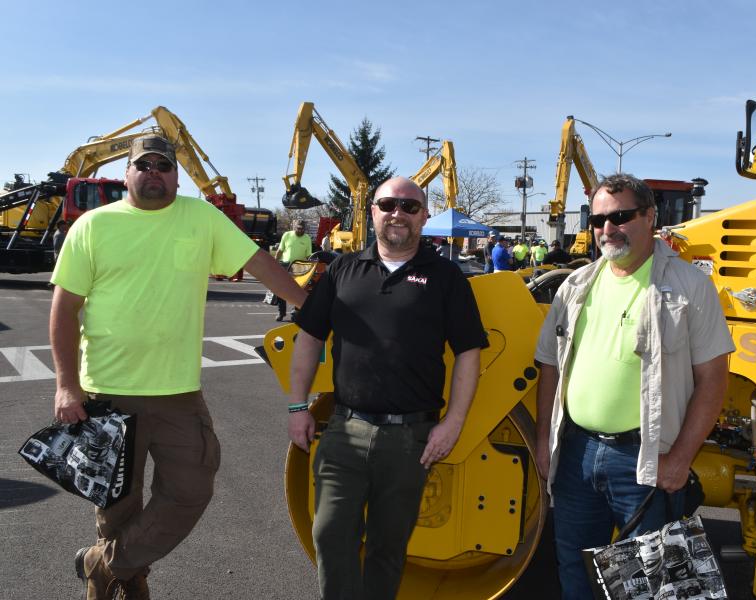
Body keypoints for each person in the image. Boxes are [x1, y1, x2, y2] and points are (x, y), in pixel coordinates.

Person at [50, 134, 308, 600]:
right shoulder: (92, 226)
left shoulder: (201, 217)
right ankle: (126, 582)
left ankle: (102, 564)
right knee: (117, 507)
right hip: (107, 392)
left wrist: (309, 307)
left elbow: (260, 265)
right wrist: (66, 386)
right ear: (126, 173)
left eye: (163, 166)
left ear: (175, 174)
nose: (154, 172)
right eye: (143, 165)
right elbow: (64, 310)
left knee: (191, 490)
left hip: (178, 393)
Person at [533, 173, 734, 599]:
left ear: (649, 217)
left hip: (645, 459)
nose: (607, 228)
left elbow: (714, 379)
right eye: (598, 219)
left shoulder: (689, 286)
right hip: (576, 453)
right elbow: (549, 365)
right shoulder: (576, 285)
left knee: (654, 582)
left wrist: (680, 458)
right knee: (575, 565)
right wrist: (542, 442)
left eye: (620, 216)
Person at [287, 176, 487, 600]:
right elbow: (309, 337)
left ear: (424, 216)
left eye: (410, 207)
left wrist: (453, 422)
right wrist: (296, 406)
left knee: (387, 548)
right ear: (372, 211)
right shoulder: (342, 270)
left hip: (410, 439)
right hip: (344, 432)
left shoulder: (447, 277)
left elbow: (470, 352)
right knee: (330, 535)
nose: (398, 213)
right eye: (388, 205)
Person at [274, 219, 313, 321]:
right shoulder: (287, 235)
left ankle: (295, 313)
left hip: (300, 267)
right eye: (298, 228)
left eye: (303, 229)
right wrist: (274, 262)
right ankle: (281, 312)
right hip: (285, 265)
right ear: (294, 227)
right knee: (281, 290)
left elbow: (309, 255)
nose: (300, 230)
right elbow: (280, 250)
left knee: (298, 291)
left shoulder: (307, 238)